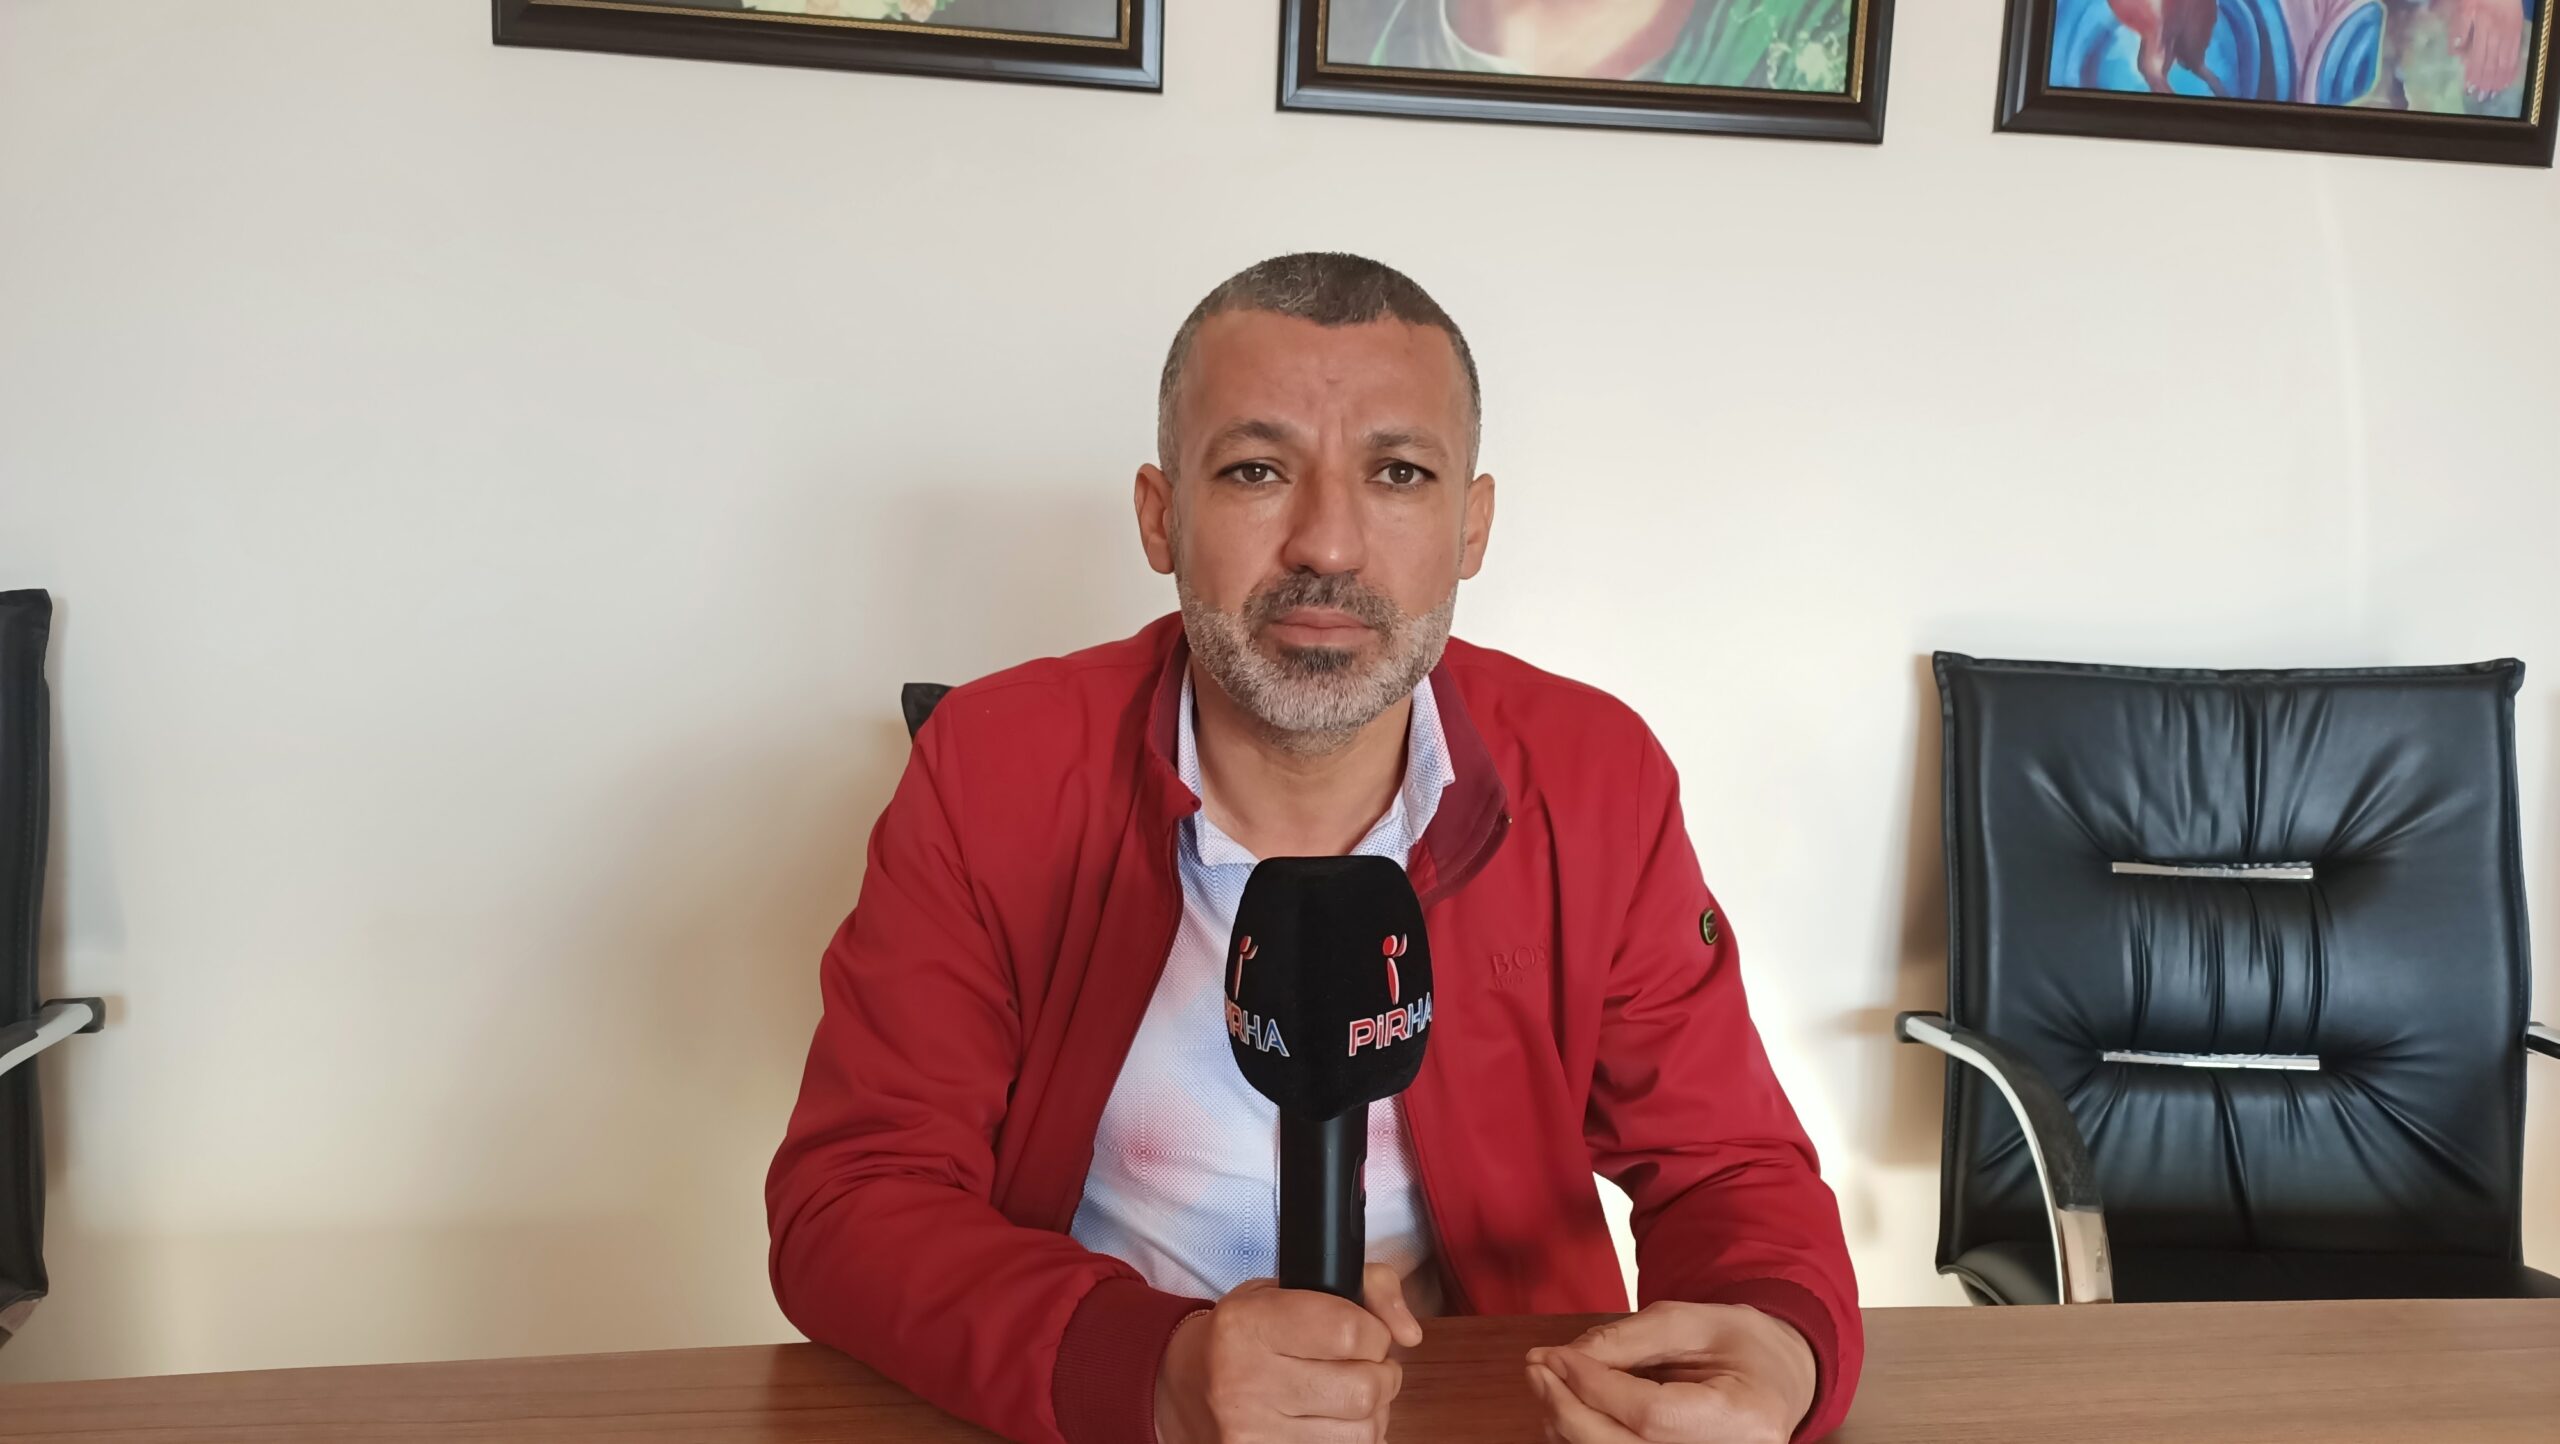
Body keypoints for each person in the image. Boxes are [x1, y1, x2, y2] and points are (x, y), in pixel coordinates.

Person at [766, 253, 1862, 1444]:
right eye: (1255, 469)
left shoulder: (1594, 775)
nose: (1328, 544)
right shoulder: (996, 767)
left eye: (1398, 473)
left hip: (1490, 1407)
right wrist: (1150, 1368)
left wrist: (1780, 1349)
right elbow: (854, 1200)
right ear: (1160, 515)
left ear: (1471, 526)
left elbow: (1726, 1168)